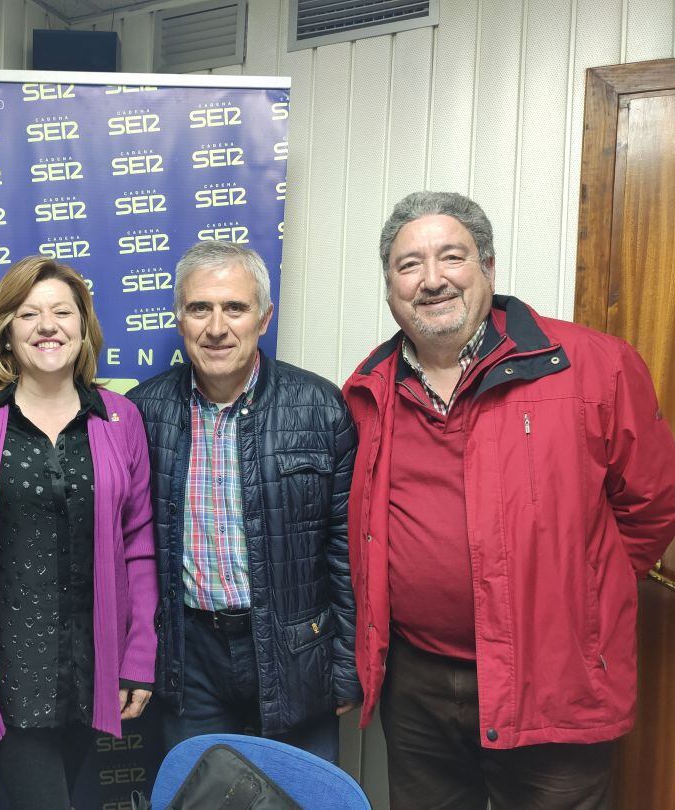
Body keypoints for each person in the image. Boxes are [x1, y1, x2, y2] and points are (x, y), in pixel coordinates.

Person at [343, 191, 675, 809]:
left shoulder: (592, 366)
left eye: (452, 257)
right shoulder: (369, 389)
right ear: (390, 286)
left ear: (489, 268)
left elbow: (652, 505)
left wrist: (580, 594)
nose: (432, 279)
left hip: (553, 678)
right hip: (417, 686)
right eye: (409, 264)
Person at [0, 256, 157, 810]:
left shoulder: (120, 419)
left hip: (89, 668)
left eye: (62, 312)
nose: (47, 326)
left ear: (83, 326)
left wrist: (138, 655)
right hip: (5, 672)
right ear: (6, 329)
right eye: (28, 314)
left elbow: (139, 544)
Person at [126, 241, 360, 762]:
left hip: (296, 652)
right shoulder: (141, 413)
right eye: (199, 308)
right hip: (190, 658)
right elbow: (128, 553)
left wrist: (347, 665)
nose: (216, 327)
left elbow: (345, 548)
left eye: (234, 307)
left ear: (264, 317)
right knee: (199, 792)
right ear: (179, 318)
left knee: (299, 793)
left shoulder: (319, 407)